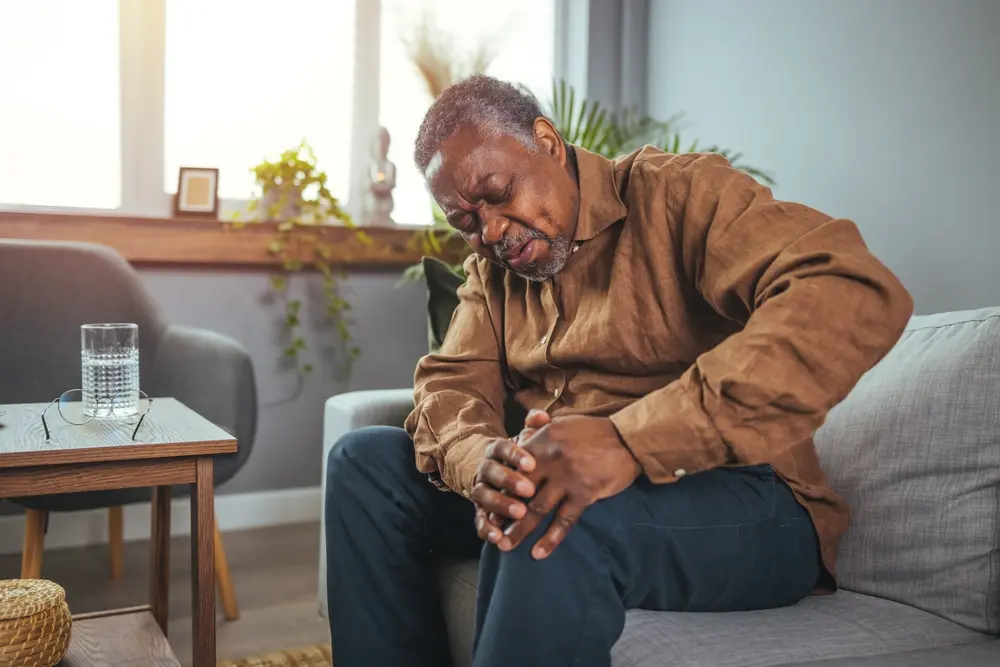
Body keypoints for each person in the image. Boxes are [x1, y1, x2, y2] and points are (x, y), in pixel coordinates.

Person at [324, 75, 913, 667]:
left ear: (547, 142)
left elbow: (848, 288)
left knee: (554, 504)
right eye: (468, 223)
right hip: (580, 491)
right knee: (364, 464)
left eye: (499, 193)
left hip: (750, 500)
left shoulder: (681, 195)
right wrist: (484, 463)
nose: (492, 230)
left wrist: (627, 441)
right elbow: (451, 383)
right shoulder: (494, 271)